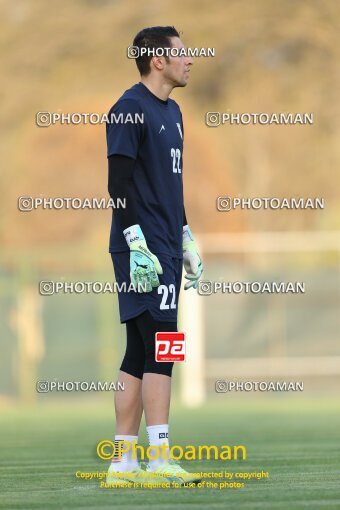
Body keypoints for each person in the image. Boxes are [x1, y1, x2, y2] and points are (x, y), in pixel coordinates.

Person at [106, 26, 203, 486]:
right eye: (182, 53)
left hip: (164, 245)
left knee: (139, 350)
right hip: (140, 249)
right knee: (164, 348)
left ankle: (123, 463)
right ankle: (160, 459)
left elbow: (171, 186)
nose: (191, 59)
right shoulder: (128, 109)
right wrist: (136, 242)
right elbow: (117, 186)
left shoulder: (176, 112)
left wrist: (184, 234)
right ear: (157, 61)